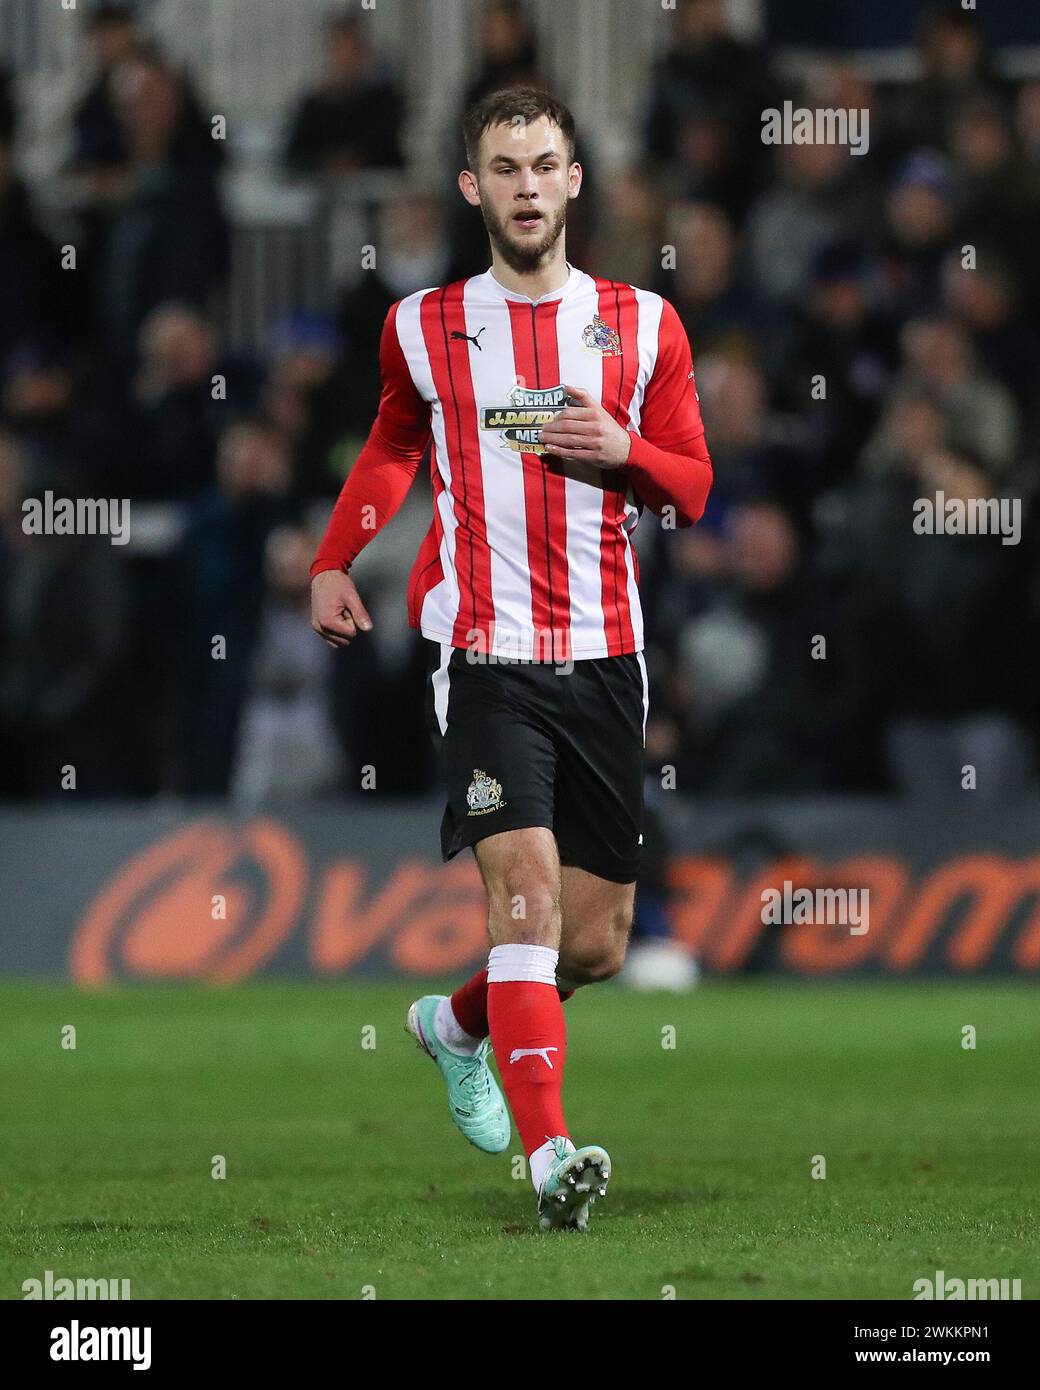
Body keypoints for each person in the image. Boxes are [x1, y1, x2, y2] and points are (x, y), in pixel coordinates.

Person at [309, 87, 713, 1231]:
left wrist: (626, 448)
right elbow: (393, 439)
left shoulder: (643, 325)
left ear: (574, 181)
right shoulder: (422, 325)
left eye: (545, 164)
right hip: (482, 655)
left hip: (605, 657)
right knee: (526, 903)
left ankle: (454, 1026)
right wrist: (336, 558)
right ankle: (550, 1159)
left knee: (591, 942)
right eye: (505, 166)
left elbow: (692, 484)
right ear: (470, 187)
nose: (527, 185)